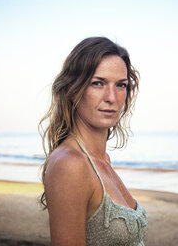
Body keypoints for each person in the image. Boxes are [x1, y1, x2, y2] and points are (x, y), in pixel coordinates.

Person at [39, 37, 147, 246]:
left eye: (121, 85)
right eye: (98, 83)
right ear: (73, 90)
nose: (112, 97)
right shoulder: (71, 164)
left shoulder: (102, 159)